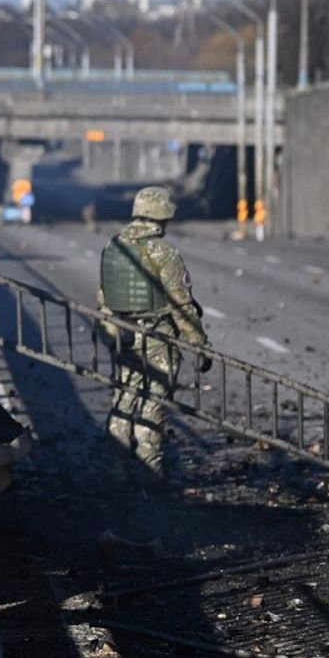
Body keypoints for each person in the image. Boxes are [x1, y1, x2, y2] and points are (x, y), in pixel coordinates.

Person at [97, 186, 210, 474]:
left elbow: (104, 296)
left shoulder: (114, 246)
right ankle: (150, 474)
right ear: (163, 215)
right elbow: (181, 305)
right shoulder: (165, 253)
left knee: (123, 400)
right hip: (157, 338)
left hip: (121, 336)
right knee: (152, 405)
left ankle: (116, 472)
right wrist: (199, 344)